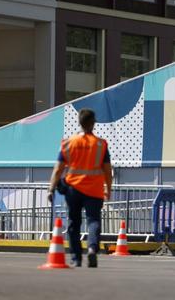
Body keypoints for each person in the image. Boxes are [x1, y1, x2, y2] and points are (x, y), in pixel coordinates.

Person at [47, 108, 112, 268]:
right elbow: (107, 170)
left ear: (80, 123)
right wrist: (108, 189)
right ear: (93, 123)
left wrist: (51, 189)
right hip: (94, 190)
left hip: (73, 189)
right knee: (93, 221)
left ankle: (76, 258)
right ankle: (91, 249)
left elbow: (58, 169)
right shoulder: (101, 144)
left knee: (73, 223)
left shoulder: (69, 143)